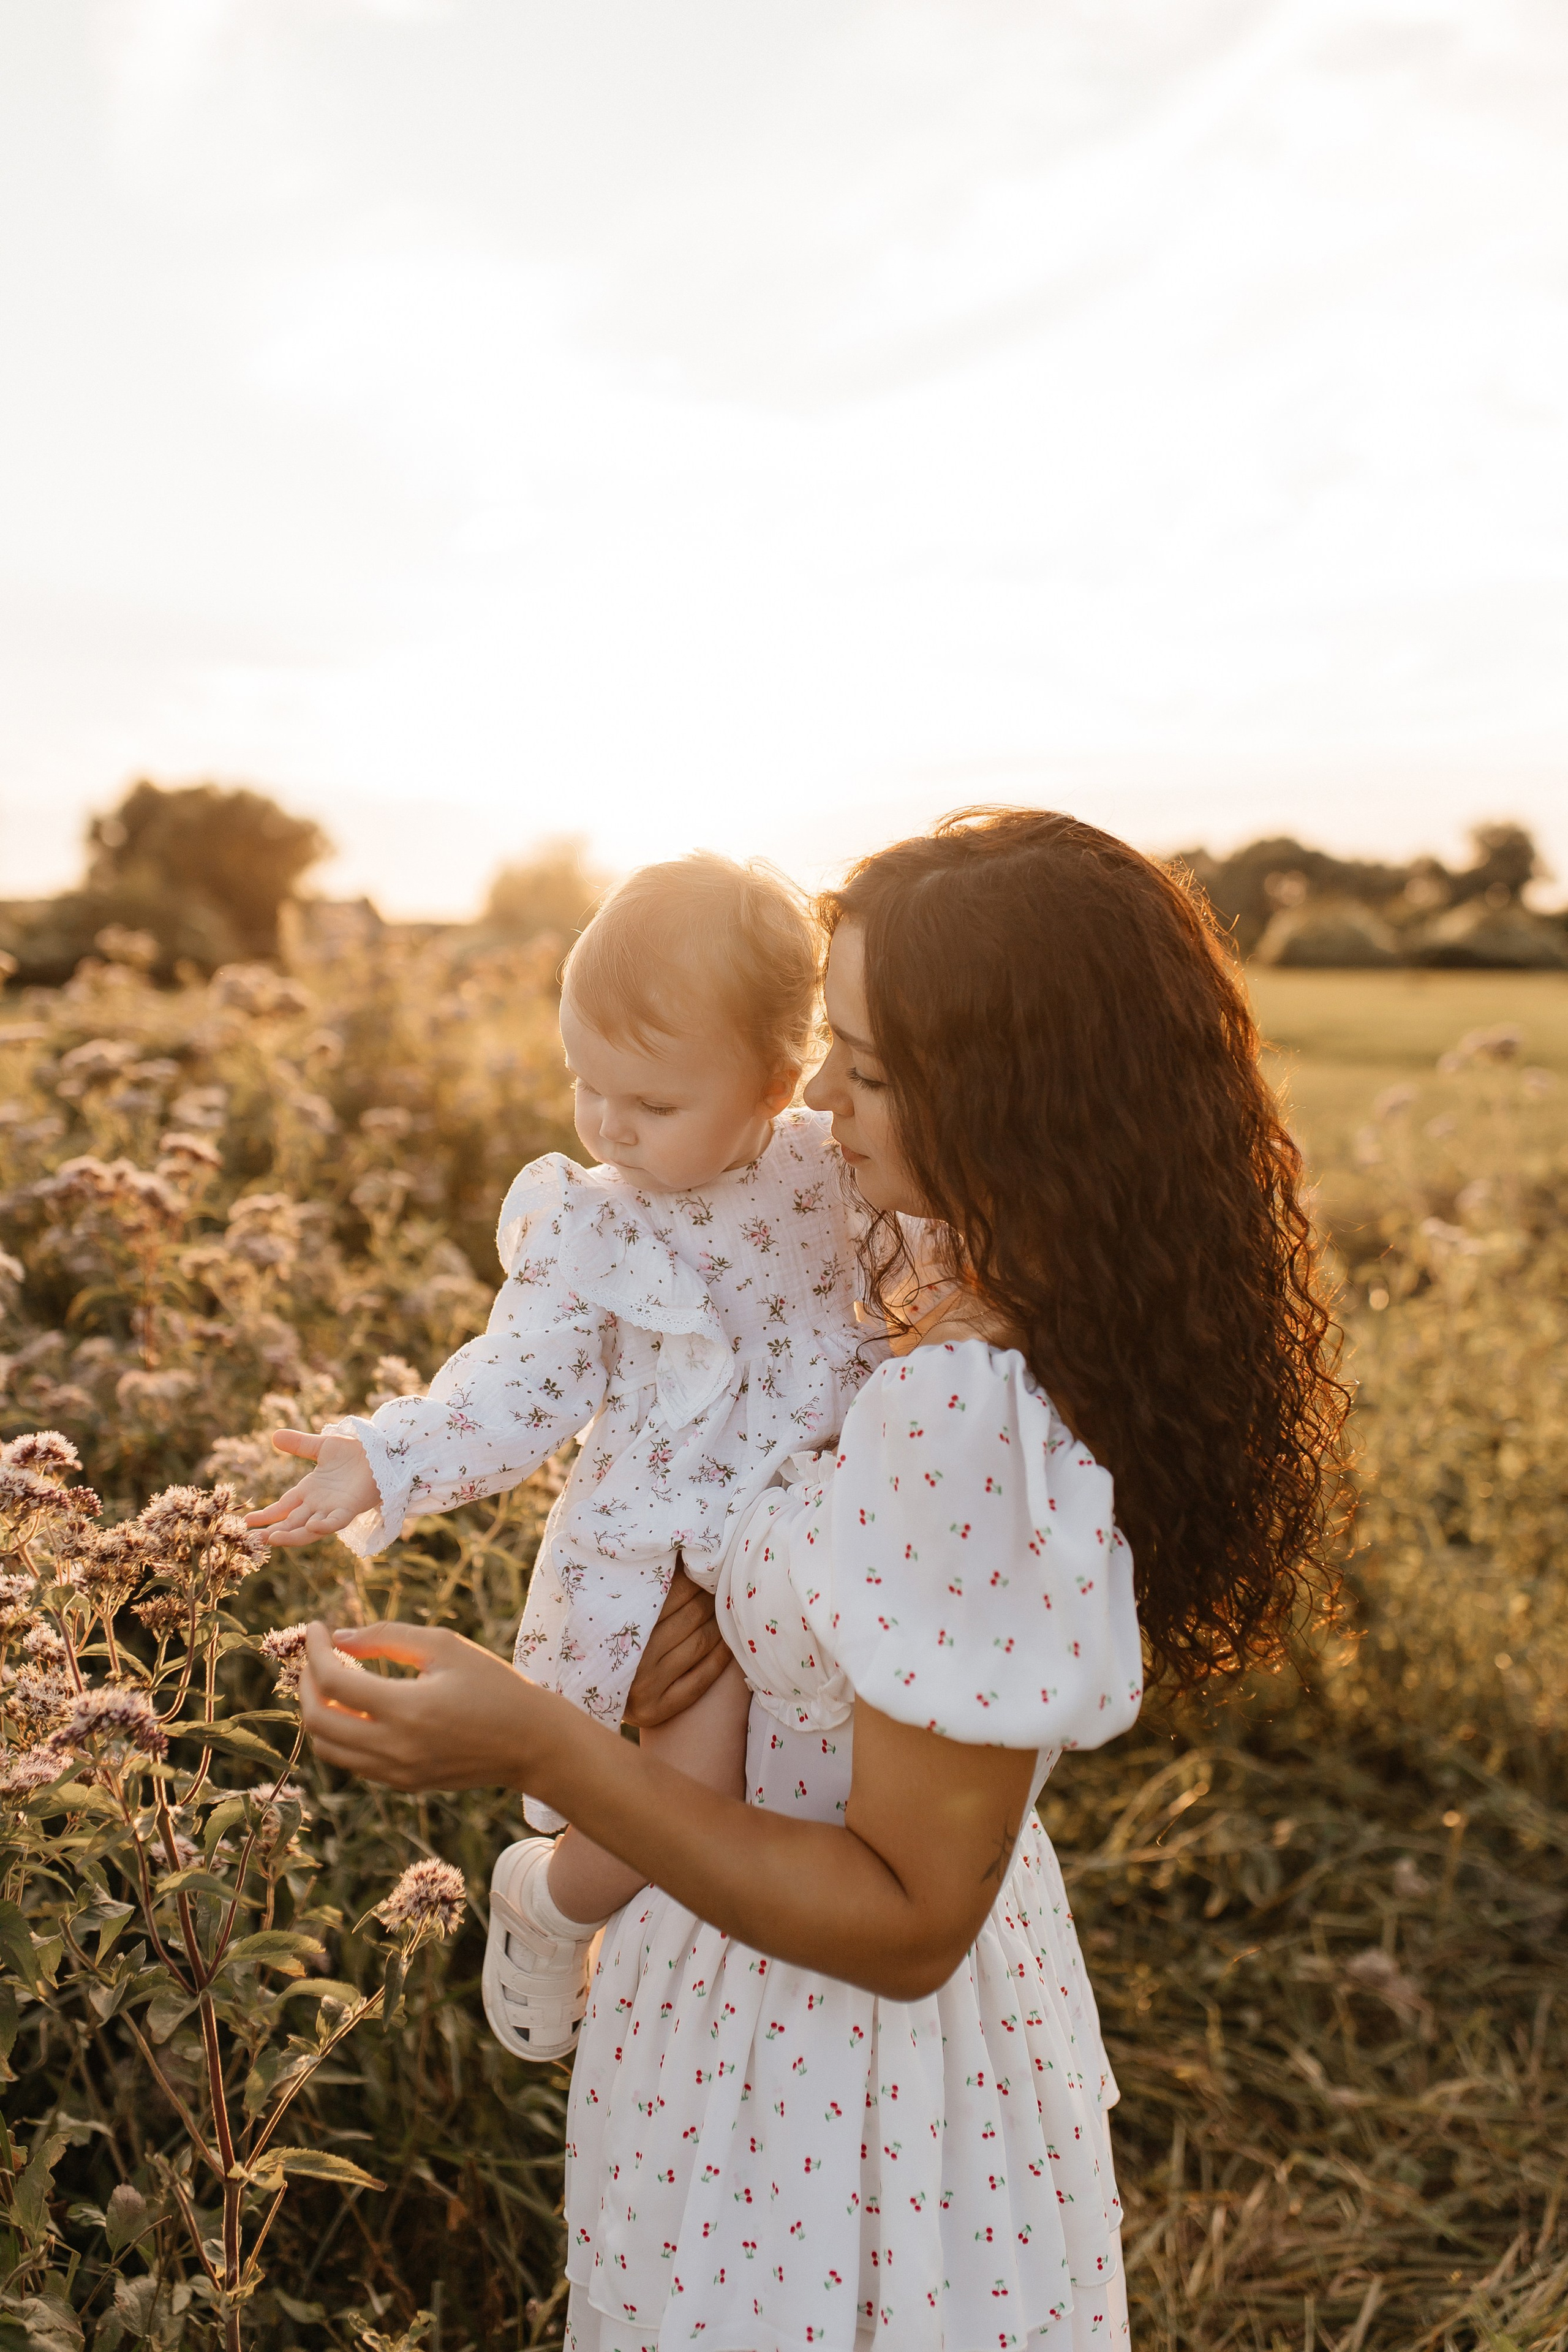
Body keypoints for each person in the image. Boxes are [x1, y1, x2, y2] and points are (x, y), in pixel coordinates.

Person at [300, 810, 1346, 2352]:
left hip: (827, 2069)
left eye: (860, 1064)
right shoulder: (944, 1281)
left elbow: (907, 1918)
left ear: (1011, 1092)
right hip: (730, 1970)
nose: (821, 1104)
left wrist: (537, 1744)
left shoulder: (964, 1403)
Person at [249, 853, 875, 2060]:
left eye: (647, 1101)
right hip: (677, 1559)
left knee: (829, 1774)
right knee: (683, 1784)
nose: (606, 1125)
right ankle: (550, 1903)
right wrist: (379, 1455)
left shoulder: (834, 1161)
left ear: (774, 1079)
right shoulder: (596, 1217)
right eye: (585, 1084)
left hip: (824, 1531)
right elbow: (517, 1380)